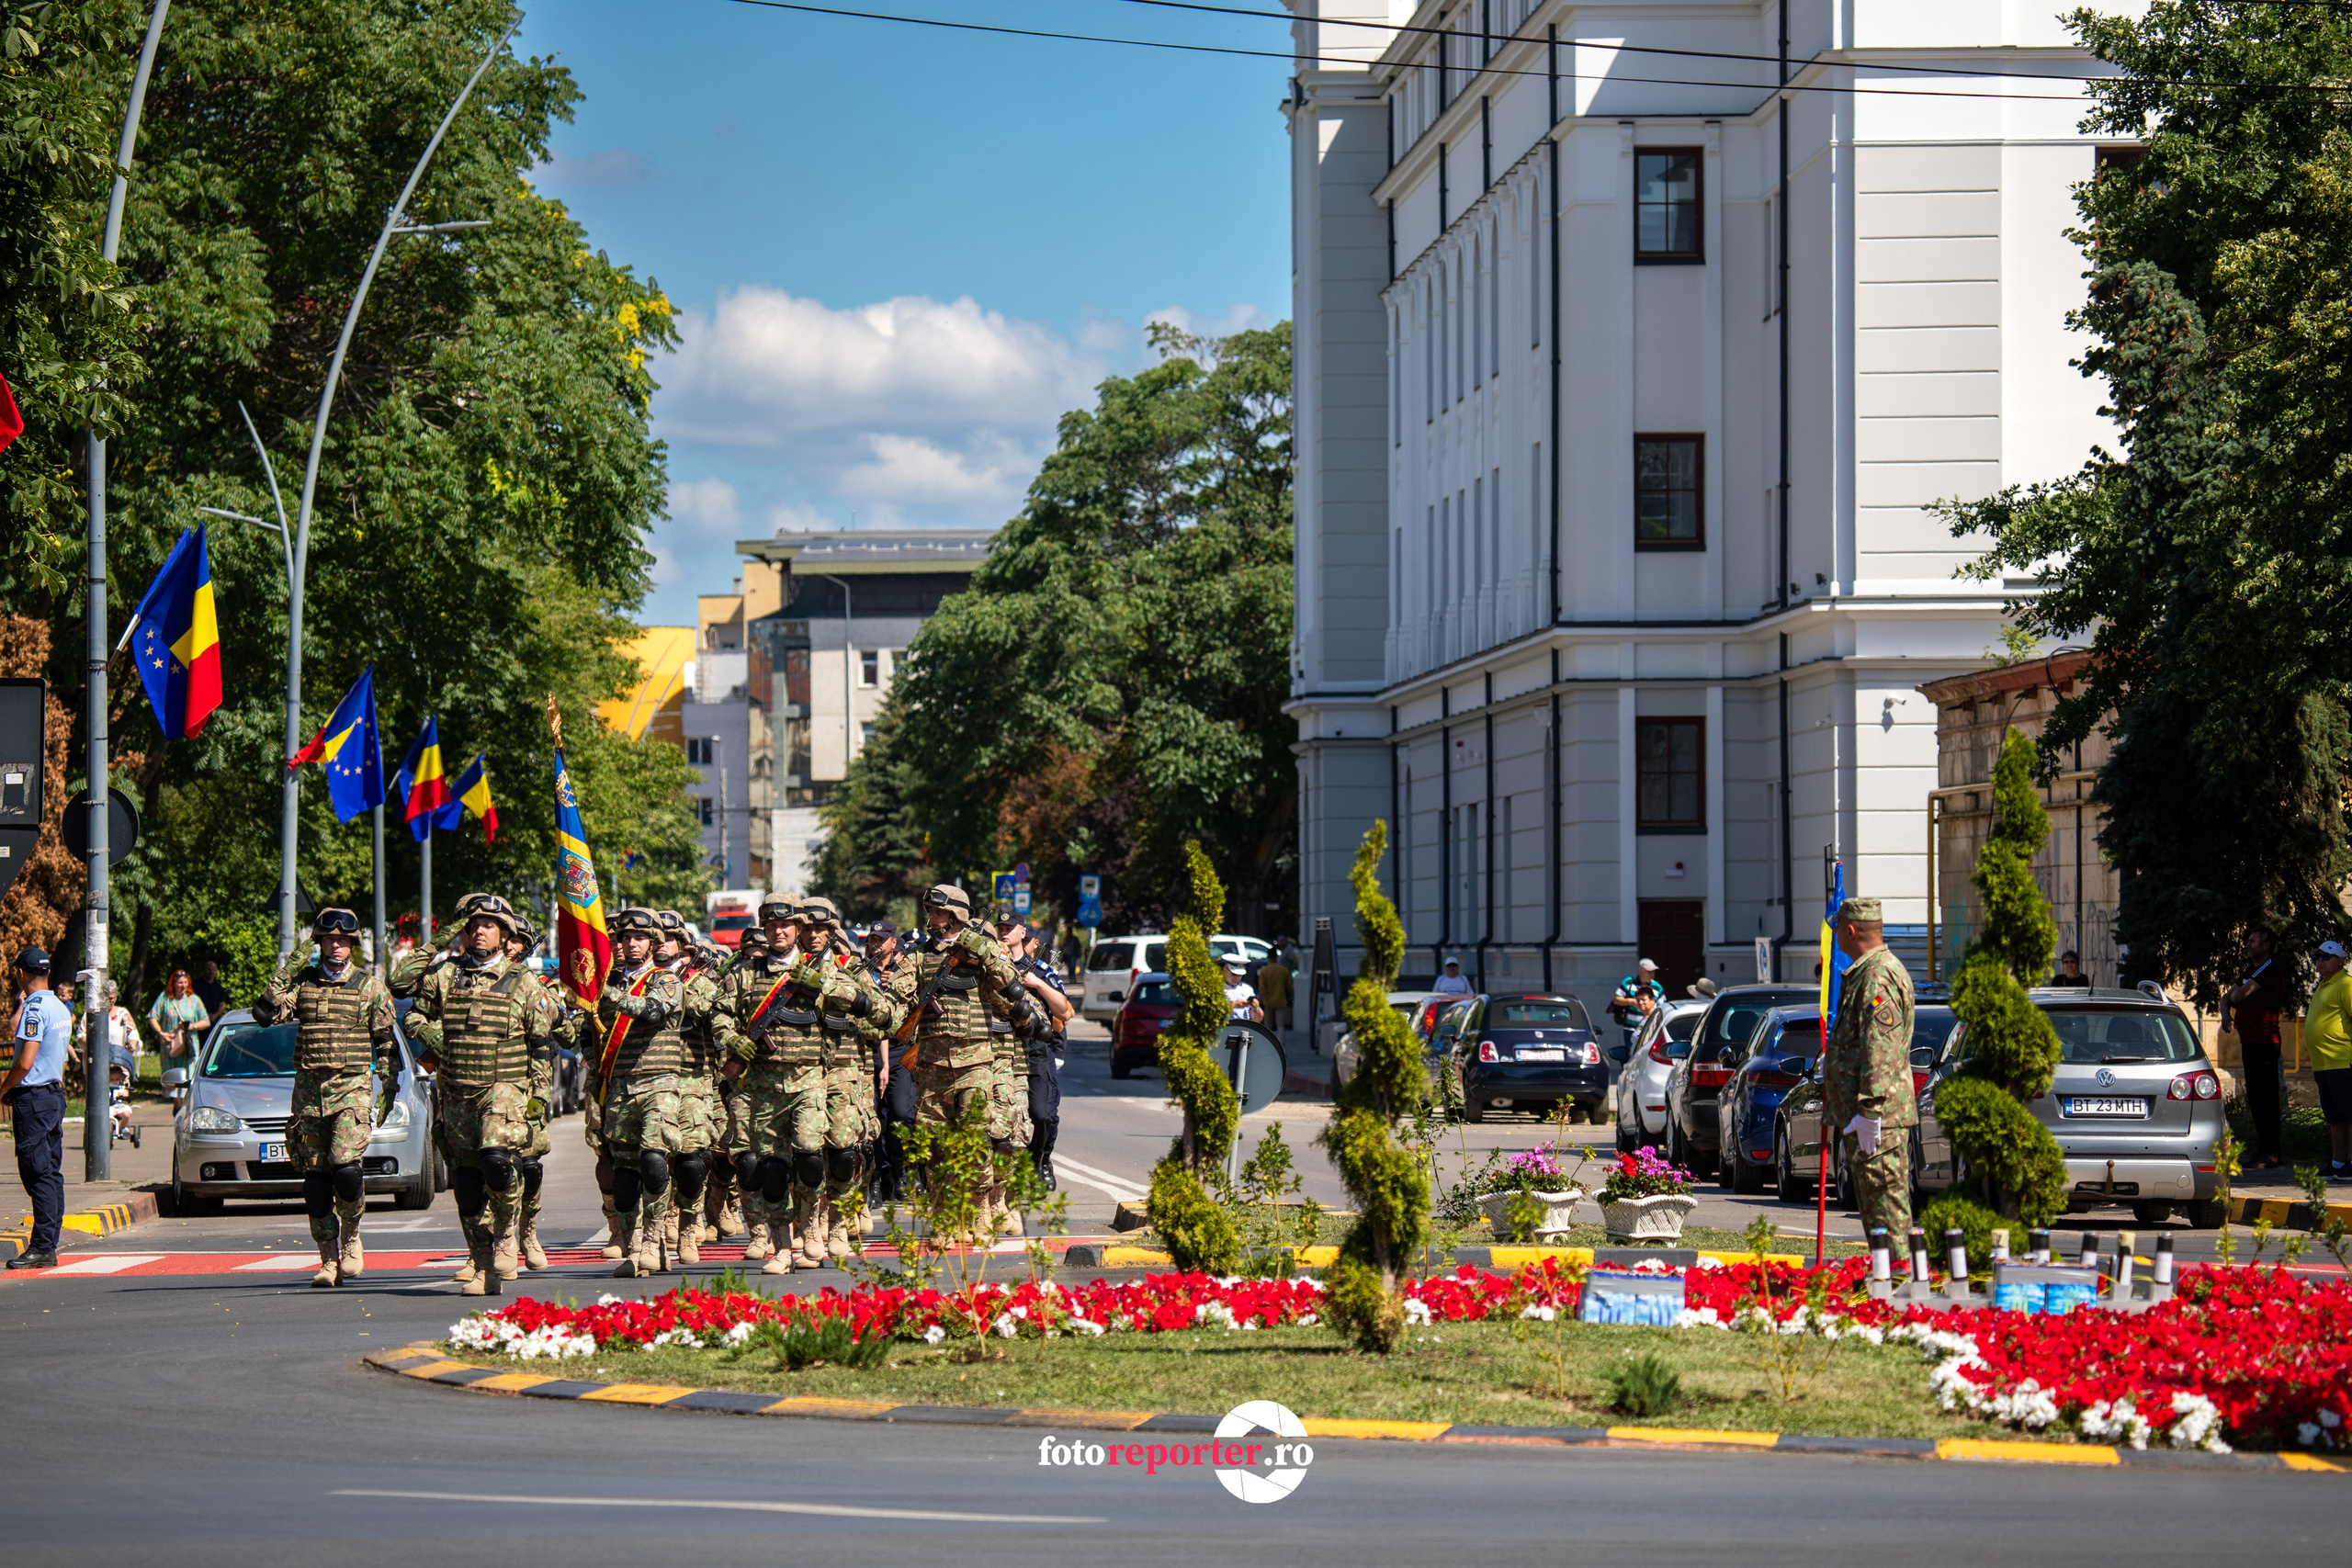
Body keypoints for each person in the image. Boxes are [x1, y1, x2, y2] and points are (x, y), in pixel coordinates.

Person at [402, 894, 554, 1296]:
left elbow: (541, 1044)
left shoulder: (523, 981)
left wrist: (539, 1095)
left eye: (489, 925)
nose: (480, 931)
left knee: (496, 1161)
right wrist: (429, 1031)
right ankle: (483, 1261)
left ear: (504, 934)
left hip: (504, 1090)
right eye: (473, 925)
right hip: (456, 1092)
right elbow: (406, 1001)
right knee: (467, 1182)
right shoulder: (445, 975)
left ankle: (507, 1232)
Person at [714, 896, 864, 1274]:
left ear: (798, 929)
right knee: (773, 1171)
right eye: (771, 926)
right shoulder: (746, 973)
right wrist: (732, 1040)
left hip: (810, 1080)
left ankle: (812, 1228)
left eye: (786, 926)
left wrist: (826, 986)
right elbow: (717, 1013)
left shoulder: (820, 970)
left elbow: (870, 1005)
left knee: (812, 1158)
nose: (778, 932)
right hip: (762, 1086)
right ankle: (782, 1247)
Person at [879, 884, 1036, 1242]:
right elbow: (894, 1000)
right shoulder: (919, 957)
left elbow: (1010, 984)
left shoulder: (984, 953)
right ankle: (945, 1218)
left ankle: (979, 1211)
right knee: (934, 1147)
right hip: (932, 1068)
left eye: (938, 912)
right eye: (931, 912)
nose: (931, 918)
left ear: (956, 915)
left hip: (976, 1064)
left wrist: (989, 953)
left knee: (976, 1142)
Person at [252, 909, 398, 1287]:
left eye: (343, 940)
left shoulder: (370, 987)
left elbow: (385, 1042)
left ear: (353, 945)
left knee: (346, 1169)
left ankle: (350, 1236)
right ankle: (328, 1258)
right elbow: (264, 1014)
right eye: (329, 939)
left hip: (352, 1089)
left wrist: (390, 1087)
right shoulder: (304, 985)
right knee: (315, 1182)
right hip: (309, 1094)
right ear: (318, 944)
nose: (336, 945)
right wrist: (287, 970)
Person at [590, 907, 697, 1278]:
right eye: (625, 938)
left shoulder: (665, 980)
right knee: (624, 1175)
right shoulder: (605, 985)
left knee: (654, 1161)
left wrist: (606, 994)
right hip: (619, 1086)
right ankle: (633, 1246)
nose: (631, 944)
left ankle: (654, 1241)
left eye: (639, 938)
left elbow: (651, 1012)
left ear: (653, 943)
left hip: (660, 1084)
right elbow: (577, 1036)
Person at [1824, 897, 1919, 1261]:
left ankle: (1899, 1282)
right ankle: (1886, 1279)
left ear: (1850, 931)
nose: (1836, 938)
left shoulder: (1878, 975)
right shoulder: (1869, 972)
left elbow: (1881, 1050)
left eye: (1838, 930)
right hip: (1869, 1116)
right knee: (1877, 1210)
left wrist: (1871, 1111)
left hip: (1879, 1119)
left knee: (1887, 1208)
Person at [995, 910, 1074, 1191]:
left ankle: (1040, 1160)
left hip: (1035, 1050)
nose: (1004, 932)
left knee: (1042, 1114)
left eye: (1009, 927)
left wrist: (1038, 984)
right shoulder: (990, 968)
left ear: (1022, 933)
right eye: (1000, 927)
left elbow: (1065, 1011)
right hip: (1000, 1050)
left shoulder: (1041, 970)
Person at [5, 948, 72, 1270]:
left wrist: (4, 1088)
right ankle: (49, 1242)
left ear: (21, 974)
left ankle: (43, 1247)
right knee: (51, 1173)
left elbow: (25, 1060)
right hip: (53, 1095)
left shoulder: (34, 1012)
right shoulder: (59, 1007)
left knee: (38, 1173)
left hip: (33, 1099)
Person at [2221, 926, 2289, 1168]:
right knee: (2255, 1097)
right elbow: (2226, 997)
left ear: (2266, 944)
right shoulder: (2251, 970)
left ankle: (2273, 1152)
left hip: (2265, 1042)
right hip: (2249, 1042)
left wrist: (2237, 994)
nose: (2248, 945)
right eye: (2248, 941)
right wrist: (2226, 1017)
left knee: (2267, 1098)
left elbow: (2238, 996)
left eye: (2253, 941)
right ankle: (2262, 1149)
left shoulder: (2268, 968)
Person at [864, 920, 918, 1205]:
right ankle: (874, 1181)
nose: (876, 944)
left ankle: (901, 1172)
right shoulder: (861, 972)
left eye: (881, 939)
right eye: (872, 938)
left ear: (893, 943)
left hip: (900, 1051)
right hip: (867, 1051)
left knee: (900, 1113)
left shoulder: (908, 971)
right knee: (871, 1120)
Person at [2305, 940, 2352, 1183]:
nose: (2320, 961)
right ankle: (2338, 1162)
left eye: (2325, 957)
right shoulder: (2323, 986)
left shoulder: (2346, 984)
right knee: (2334, 1117)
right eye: (2317, 957)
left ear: (2340, 961)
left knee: (2349, 1116)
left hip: (2343, 1061)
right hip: (2323, 1064)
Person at [146, 968, 210, 1072]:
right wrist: (161, 1033)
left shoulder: (194, 1000)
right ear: (173, 983)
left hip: (189, 1045)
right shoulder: (165, 998)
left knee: (188, 1076)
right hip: (171, 1043)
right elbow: (152, 1017)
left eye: (185, 982)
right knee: (170, 1077)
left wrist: (192, 1026)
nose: (183, 985)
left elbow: (206, 1021)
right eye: (180, 982)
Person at [1609, 958, 1664, 1037]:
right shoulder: (1628, 982)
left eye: (1653, 972)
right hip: (1631, 1029)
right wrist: (1631, 1001)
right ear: (1641, 972)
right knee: (1632, 1049)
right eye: (1649, 972)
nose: (1652, 975)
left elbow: (1662, 1006)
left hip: (1650, 1027)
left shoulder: (1657, 986)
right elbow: (1616, 1000)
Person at [1256, 948, 1294, 1036]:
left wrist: (1260, 1000)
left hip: (1268, 1002)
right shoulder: (1283, 970)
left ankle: (1268, 1042)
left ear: (1268, 958)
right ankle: (1281, 1043)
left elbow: (1261, 988)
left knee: (1268, 1025)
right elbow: (1290, 987)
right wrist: (1291, 998)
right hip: (1281, 1001)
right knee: (1281, 1026)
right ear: (1276, 958)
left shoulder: (1264, 971)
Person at [1222, 954, 1263, 1023]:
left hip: (1243, 1029)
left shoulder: (1247, 989)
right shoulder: (1218, 988)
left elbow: (1258, 1020)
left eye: (1240, 975)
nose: (1237, 978)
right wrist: (1233, 1005)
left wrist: (1256, 1008)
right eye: (1234, 974)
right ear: (1225, 969)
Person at [191, 959, 228, 1029]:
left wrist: (215, 1015)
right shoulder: (196, 985)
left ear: (216, 971)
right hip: (198, 1021)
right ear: (204, 970)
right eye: (209, 969)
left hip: (213, 1022)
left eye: (213, 970)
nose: (211, 972)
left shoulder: (218, 988)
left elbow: (222, 1006)